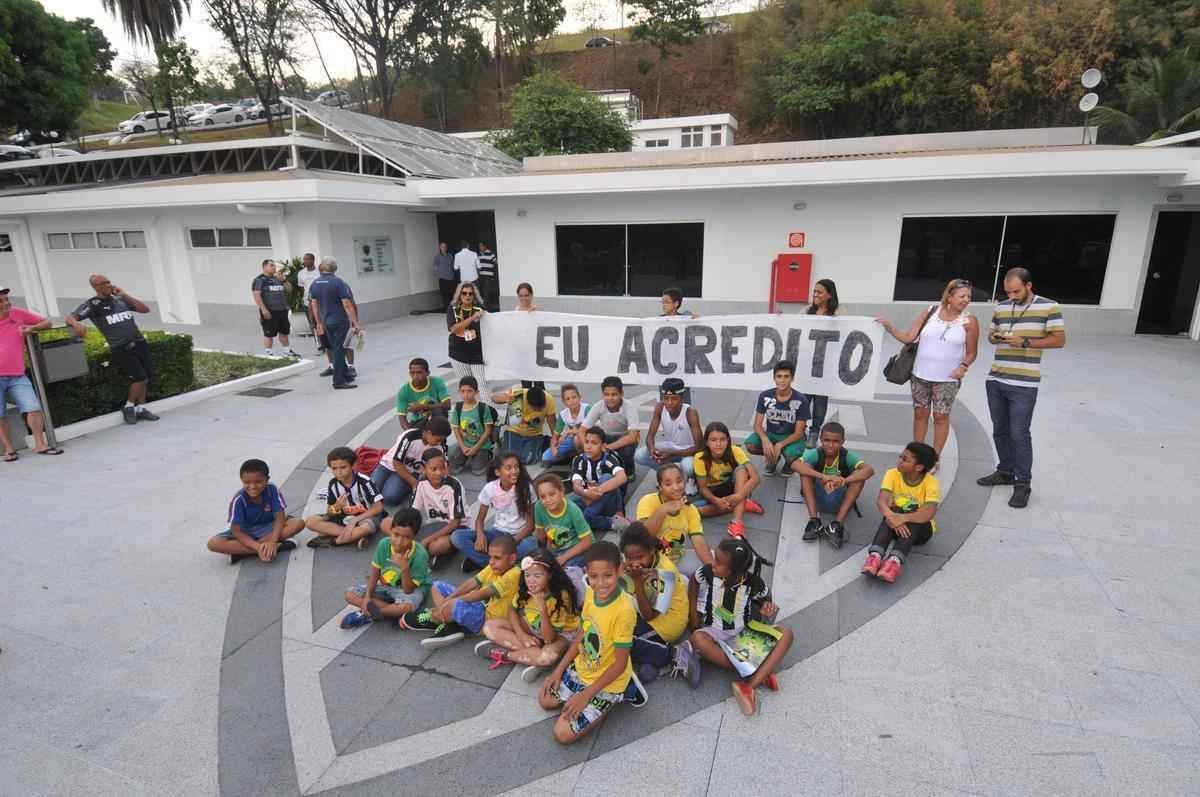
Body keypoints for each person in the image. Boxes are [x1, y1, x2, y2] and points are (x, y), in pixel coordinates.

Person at [976, 267, 1067, 509]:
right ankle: (1005, 471)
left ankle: (1022, 483)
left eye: (1016, 291)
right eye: (1008, 292)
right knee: (1000, 430)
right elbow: (991, 335)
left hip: (1024, 382)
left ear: (1029, 286)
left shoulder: (1050, 307)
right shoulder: (1002, 307)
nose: (1012, 296)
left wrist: (1025, 342)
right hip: (996, 378)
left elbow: (1059, 340)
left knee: (1019, 433)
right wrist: (995, 338)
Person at [539, 542, 642, 744]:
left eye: (608, 576)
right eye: (594, 577)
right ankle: (579, 695)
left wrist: (585, 695)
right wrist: (558, 670)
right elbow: (582, 634)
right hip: (584, 668)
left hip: (609, 681)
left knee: (562, 734)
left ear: (619, 570)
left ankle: (618, 696)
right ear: (587, 573)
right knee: (546, 700)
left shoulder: (625, 610)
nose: (600, 583)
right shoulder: (590, 594)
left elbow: (620, 664)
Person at [682, 537, 793, 716]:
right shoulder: (708, 573)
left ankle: (749, 685)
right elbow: (694, 584)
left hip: (744, 633)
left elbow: (766, 597)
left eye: (718, 562)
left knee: (787, 634)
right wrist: (693, 617)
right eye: (714, 558)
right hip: (714, 632)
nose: (713, 564)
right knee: (697, 639)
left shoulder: (753, 583)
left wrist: (767, 607)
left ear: (734, 570)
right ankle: (760, 671)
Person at [877, 279, 980, 455]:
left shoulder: (970, 321)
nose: (966, 300)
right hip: (920, 375)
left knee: (940, 417)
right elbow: (909, 337)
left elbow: (971, 353)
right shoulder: (930, 312)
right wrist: (890, 327)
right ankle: (917, 453)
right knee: (920, 414)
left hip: (947, 379)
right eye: (962, 296)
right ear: (949, 296)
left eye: (969, 296)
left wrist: (963, 366)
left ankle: (935, 456)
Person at [65, 274, 160, 424]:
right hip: (122, 347)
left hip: (139, 343)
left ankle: (141, 409)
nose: (109, 285)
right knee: (140, 378)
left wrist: (125, 295)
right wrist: (77, 325)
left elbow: (145, 309)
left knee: (146, 377)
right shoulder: (93, 304)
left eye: (109, 281)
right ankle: (128, 406)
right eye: (104, 283)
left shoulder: (120, 299)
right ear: (95, 287)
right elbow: (70, 318)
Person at [400, 533, 520, 650]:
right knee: (437, 586)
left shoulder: (514, 574)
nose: (491, 561)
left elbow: (482, 594)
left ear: (512, 559)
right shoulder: (494, 566)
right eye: (490, 557)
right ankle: (449, 621)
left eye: (497, 558)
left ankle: (437, 618)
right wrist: (448, 600)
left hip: (486, 619)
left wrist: (453, 601)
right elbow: (472, 582)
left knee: (455, 604)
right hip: (478, 606)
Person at [478, 548, 581, 681]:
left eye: (537, 576)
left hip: (559, 635)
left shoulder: (561, 597)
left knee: (546, 657)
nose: (531, 581)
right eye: (527, 575)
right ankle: (533, 657)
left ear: (549, 575)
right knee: (489, 626)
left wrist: (542, 608)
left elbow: (549, 638)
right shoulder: (525, 589)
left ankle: (506, 655)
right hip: (533, 627)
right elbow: (512, 610)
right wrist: (522, 635)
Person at [620, 523, 690, 684]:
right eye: (629, 558)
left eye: (640, 557)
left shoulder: (665, 573)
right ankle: (650, 657)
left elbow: (649, 616)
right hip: (648, 608)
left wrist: (637, 581)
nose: (635, 563)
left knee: (620, 639)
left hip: (667, 624)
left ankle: (671, 654)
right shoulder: (641, 563)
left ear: (652, 550)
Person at [338, 507, 431, 629]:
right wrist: (367, 598)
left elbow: (408, 590)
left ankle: (371, 614)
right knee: (349, 594)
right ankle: (392, 613)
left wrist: (404, 568)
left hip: (411, 590)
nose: (399, 541)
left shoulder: (420, 554)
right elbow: (375, 574)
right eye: (396, 534)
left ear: (414, 536)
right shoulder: (384, 544)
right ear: (391, 530)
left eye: (406, 537)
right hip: (386, 584)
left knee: (406, 607)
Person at [861, 442, 941, 584]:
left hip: (921, 531)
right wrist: (893, 518)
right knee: (892, 509)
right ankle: (875, 556)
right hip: (896, 524)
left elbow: (929, 512)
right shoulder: (892, 473)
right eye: (900, 457)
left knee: (916, 513)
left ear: (919, 467)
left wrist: (901, 518)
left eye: (905, 460)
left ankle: (894, 562)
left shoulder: (931, 482)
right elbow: (881, 501)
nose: (900, 461)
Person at [792, 422, 875, 549]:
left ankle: (837, 525)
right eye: (826, 440)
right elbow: (795, 465)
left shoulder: (846, 455)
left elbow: (869, 470)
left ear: (842, 442)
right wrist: (823, 477)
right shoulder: (816, 453)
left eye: (836, 441)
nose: (830, 445)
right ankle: (814, 521)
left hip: (839, 501)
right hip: (817, 498)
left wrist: (843, 481)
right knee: (805, 469)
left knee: (860, 475)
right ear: (820, 440)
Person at [0, 287, 60, 459]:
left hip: (17, 374)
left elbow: (46, 322)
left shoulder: (17, 314)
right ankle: (9, 449)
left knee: (33, 407)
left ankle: (40, 444)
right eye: (1, 300)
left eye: (6, 299)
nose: (6, 302)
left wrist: (31, 328)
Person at [451, 451, 538, 570]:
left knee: (531, 544)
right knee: (457, 536)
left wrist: (511, 542)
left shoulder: (526, 488)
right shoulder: (490, 488)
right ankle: (496, 562)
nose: (514, 471)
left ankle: (486, 563)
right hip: (497, 534)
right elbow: (479, 520)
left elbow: (530, 526)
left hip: (519, 536)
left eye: (516, 467)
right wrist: (480, 535)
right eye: (508, 468)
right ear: (498, 472)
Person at [206, 459, 303, 564]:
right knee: (213, 543)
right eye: (247, 482)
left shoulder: (272, 490)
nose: (252, 487)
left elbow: (280, 518)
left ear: (267, 479)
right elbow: (236, 531)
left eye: (258, 482)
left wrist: (272, 541)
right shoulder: (239, 500)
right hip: (246, 532)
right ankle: (276, 547)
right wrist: (257, 547)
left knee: (298, 523)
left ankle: (243, 552)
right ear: (241, 480)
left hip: (269, 527)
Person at [304, 446, 385, 548]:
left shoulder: (364, 481)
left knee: (366, 528)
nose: (338, 472)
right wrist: (336, 507)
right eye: (334, 468)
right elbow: (329, 511)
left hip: (365, 517)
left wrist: (355, 520)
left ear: (353, 465)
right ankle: (354, 537)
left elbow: (379, 507)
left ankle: (333, 541)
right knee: (310, 522)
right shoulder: (333, 484)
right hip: (344, 517)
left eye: (343, 467)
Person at [636, 462, 712, 571]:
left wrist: (714, 569)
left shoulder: (690, 509)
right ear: (659, 486)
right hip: (652, 564)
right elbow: (644, 537)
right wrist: (664, 509)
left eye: (679, 481)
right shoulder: (648, 501)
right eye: (668, 484)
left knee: (714, 562)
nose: (676, 487)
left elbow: (698, 541)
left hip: (677, 561)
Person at [693, 421, 764, 537]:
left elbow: (755, 478)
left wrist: (739, 496)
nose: (718, 444)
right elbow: (702, 488)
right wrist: (717, 501)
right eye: (713, 440)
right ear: (706, 442)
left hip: (735, 489)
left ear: (728, 440)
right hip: (713, 492)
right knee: (696, 511)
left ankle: (736, 523)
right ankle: (743, 504)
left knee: (742, 470)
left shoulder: (735, 450)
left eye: (722, 439)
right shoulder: (700, 458)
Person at [744, 359, 809, 476]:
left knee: (790, 456)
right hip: (772, 434)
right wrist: (765, 440)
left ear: (792, 379)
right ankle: (774, 458)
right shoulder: (765, 396)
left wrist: (779, 445)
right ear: (774, 378)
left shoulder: (801, 400)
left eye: (786, 377)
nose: (782, 380)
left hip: (792, 436)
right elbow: (757, 425)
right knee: (750, 445)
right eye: (779, 376)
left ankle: (789, 464)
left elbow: (799, 433)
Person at [635, 377, 703, 487]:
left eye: (674, 398)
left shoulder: (690, 413)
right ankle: (665, 475)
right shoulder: (660, 407)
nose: (669, 402)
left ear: (682, 398)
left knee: (689, 467)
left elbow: (698, 447)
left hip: (689, 451)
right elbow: (650, 436)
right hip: (671, 447)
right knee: (640, 455)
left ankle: (691, 479)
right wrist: (652, 449)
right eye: (665, 398)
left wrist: (672, 454)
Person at [371, 417, 451, 506]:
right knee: (370, 491)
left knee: (390, 498)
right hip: (388, 465)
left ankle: (403, 486)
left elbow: (445, 465)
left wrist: (447, 486)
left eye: (441, 440)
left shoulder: (439, 444)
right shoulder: (410, 437)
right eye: (438, 440)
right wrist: (414, 483)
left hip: (408, 472)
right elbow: (396, 463)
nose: (439, 443)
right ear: (429, 433)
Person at [804, 278, 846, 446]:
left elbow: (845, 327)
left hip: (825, 366)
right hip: (806, 365)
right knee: (803, 400)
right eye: (814, 291)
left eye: (819, 292)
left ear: (829, 294)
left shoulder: (838, 311)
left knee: (820, 402)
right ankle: (801, 431)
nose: (815, 295)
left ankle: (814, 432)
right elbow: (792, 323)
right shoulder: (808, 310)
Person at [308, 257, 361, 390]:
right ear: (334, 269)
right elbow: (347, 304)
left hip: (326, 322)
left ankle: (346, 374)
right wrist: (355, 322)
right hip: (339, 321)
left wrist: (318, 323)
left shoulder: (315, 283)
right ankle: (338, 381)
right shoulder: (338, 282)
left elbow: (314, 305)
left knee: (336, 348)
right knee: (339, 350)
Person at [577, 376, 640, 484]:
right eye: (606, 394)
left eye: (614, 394)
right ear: (603, 395)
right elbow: (582, 431)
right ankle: (588, 463)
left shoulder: (629, 407)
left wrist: (607, 448)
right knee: (577, 440)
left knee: (628, 447)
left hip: (623, 437)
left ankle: (629, 470)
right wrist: (588, 447)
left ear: (621, 394)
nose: (610, 398)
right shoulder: (599, 405)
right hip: (606, 436)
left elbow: (632, 436)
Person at [410, 448, 467, 565]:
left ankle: (449, 551)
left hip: (457, 528)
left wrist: (426, 540)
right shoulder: (421, 483)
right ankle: (426, 553)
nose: (439, 473)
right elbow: (413, 512)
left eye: (442, 468)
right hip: (434, 526)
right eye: (434, 469)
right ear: (424, 469)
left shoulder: (453, 485)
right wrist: (405, 531)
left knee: (436, 547)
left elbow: (455, 523)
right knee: (390, 524)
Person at [570, 426, 630, 534]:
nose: (588, 446)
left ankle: (603, 518)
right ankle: (610, 522)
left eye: (594, 443)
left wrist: (596, 491)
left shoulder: (609, 459)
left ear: (603, 446)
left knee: (606, 477)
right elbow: (576, 485)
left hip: (610, 501)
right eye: (586, 442)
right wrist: (585, 492)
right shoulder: (579, 460)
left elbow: (622, 477)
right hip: (588, 498)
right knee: (565, 503)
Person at [534, 472, 594, 568]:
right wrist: (544, 554)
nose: (548, 499)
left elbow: (587, 542)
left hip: (578, 548)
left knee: (564, 570)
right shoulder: (538, 507)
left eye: (552, 494)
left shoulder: (573, 510)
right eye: (543, 497)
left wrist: (563, 557)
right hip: (556, 548)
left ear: (561, 492)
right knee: (538, 566)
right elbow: (541, 536)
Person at [492, 383, 556, 464]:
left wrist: (556, 439)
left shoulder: (549, 399)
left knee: (528, 460)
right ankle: (501, 435)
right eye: (537, 408)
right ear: (529, 403)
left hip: (534, 433)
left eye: (542, 407)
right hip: (514, 431)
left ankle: (543, 442)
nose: (540, 410)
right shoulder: (519, 395)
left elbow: (552, 423)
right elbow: (493, 397)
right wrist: (505, 399)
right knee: (510, 459)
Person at [448, 376, 496, 476]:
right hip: (465, 444)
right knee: (454, 466)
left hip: (481, 445)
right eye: (463, 391)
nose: (466, 394)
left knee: (477, 470)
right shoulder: (458, 407)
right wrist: (462, 446)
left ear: (476, 392)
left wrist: (475, 449)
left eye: (469, 391)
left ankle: (487, 455)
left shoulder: (483, 408)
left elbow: (487, 431)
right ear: (459, 392)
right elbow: (456, 429)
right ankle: (469, 456)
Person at [447, 282, 487, 398]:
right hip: (458, 353)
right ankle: (472, 413)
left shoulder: (480, 308)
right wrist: (473, 318)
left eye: (471, 293)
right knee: (467, 387)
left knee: (482, 385)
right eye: (464, 293)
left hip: (477, 353)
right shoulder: (453, 309)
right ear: (459, 295)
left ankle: (488, 414)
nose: (467, 296)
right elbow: (454, 329)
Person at [251, 259, 298, 358]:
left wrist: (284, 280)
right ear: (264, 267)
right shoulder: (259, 280)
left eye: (274, 266)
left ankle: (287, 352)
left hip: (282, 310)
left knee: (284, 332)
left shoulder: (278, 279)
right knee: (269, 333)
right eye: (271, 266)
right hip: (270, 311)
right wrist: (264, 310)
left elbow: (289, 290)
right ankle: (269, 353)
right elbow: (257, 295)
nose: (274, 268)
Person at [395, 357, 450, 430]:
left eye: (419, 372)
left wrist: (423, 406)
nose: (415, 376)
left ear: (427, 373)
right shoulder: (404, 391)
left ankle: (439, 438)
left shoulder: (437, 382)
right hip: (418, 421)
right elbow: (402, 419)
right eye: (412, 373)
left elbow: (447, 405)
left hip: (437, 418)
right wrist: (410, 434)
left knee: (439, 412)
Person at [542, 383, 589, 466]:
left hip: (587, 438)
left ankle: (585, 459)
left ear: (579, 397)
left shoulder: (587, 409)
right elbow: (555, 436)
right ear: (564, 402)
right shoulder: (563, 414)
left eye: (574, 397)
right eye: (568, 399)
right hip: (571, 439)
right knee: (546, 457)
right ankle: (571, 454)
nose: (572, 401)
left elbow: (588, 430)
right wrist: (553, 447)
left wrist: (567, 432)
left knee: (577, 439)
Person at [297, 253, 320, 338]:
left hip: (320, 302)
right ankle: (318, 343)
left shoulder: (319, 271)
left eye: (307, 259)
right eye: (304, 259)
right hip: (307, 303)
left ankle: (325, 344)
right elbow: (302, 288)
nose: (305, 261)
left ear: (313, 260)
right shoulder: (301, 273)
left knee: (321, 323)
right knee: (312, 324)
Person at [476, 241, 499, 312]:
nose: (480, 247)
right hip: (480, 277)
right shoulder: (478, 255)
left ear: (485, 246)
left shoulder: (490, 253)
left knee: (486, 293)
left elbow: (496, 262)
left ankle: (485, 309)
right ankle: (484, 307)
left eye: (481, 246)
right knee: (481, 293)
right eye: (479, 246)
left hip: (488, 277)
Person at [433, 242, 456, 309]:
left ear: (446, 248)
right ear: (440, 248)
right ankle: (447, 309)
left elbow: (453, 265)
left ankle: (452, 308)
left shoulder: (450, 256)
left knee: (451, 294)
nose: (444, 248)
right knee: (444, 295)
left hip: (451, 278)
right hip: (442, 279)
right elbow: (435, 266)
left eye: (445, 246)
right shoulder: (437, 257)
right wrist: (436, 274)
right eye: (442, 247)